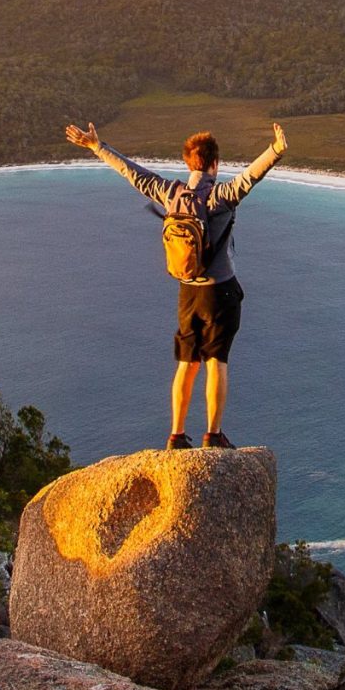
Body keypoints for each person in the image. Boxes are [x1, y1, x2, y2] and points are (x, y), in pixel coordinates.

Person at [61, 119, 287, 450]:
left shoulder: (171, 193)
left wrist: (97, 147)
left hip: (187, 293)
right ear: (214, 163)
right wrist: (276, 149)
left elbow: (133, 173)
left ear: (187, 163)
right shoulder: (220, 197)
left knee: (186, 362)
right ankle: (213, 434)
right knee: (216, 362)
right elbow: (250, 177)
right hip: (220, 292)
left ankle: (177, 435)